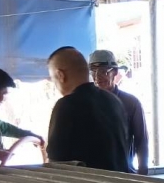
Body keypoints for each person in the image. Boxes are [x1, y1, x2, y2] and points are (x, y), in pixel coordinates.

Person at [46, 46, 131, 174]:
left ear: (60, 75)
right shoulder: (114, 101)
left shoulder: (66, 106)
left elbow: (56, 163)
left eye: (53, 79)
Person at [89, 49, 149, 174]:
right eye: (93, 71)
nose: (97, 77)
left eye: (103, 71)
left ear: (115, 72)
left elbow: (141, 140)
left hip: (123, 173)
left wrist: (142, 173)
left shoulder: (131, 103)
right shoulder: (87, 103)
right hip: (94, 175)